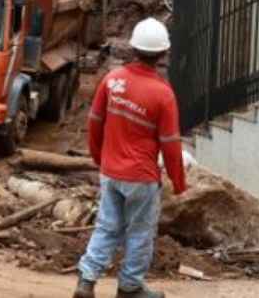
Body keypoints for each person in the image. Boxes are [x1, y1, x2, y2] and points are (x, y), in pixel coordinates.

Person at [73, 18, 187, 298]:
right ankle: (130, 287)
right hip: (141, 177)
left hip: (111, 172)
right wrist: (179, 182)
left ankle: (86, 282)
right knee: (140, 232)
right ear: (163, 53)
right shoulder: (163, 94)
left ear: (134, 48)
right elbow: (171, 146)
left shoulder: (112, 81)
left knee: (106, 226)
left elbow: (95, 122)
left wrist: (99, 159)